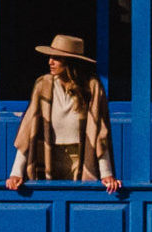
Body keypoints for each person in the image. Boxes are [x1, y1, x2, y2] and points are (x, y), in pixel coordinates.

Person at [8, 33, 122, 194]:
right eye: (50, 57)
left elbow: (99, 133)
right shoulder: (43, 85)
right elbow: (28, 130)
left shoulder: (92, 87)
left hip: (80, 156)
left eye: (57, 58)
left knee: (78, 201)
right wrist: (16, 173)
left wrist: (107, 174)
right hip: (48, 155)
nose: (50, 62)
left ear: (70, 62)